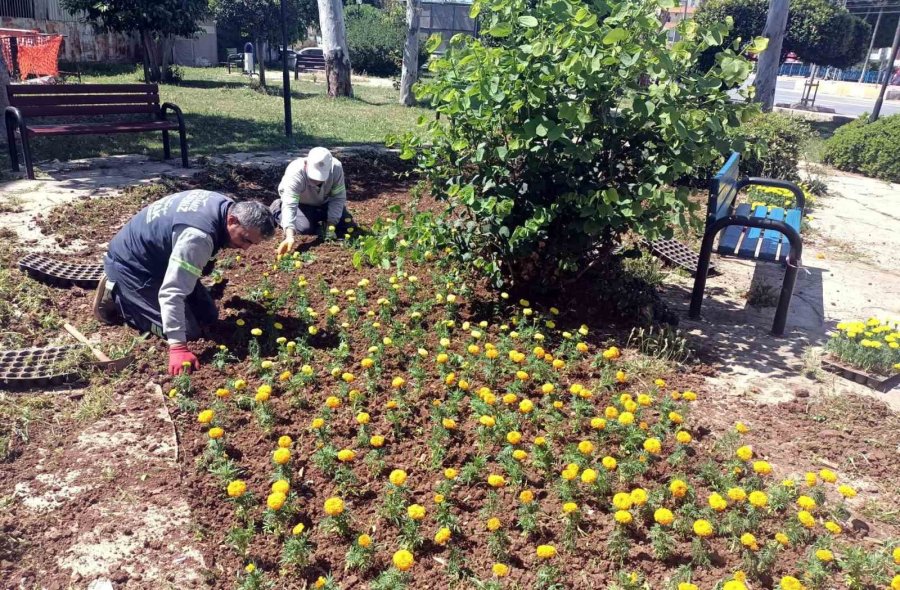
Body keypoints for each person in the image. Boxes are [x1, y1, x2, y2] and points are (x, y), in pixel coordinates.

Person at [92, 190, 276, 375]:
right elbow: (172, 292)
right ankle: (118, 294)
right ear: (232, 220)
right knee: (187, 332)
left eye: (252, 243)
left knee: (209, 317)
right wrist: (178, 348)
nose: (245, 248)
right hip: (132, 267)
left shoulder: (225, 205)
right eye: (244, 239)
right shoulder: (198, 237)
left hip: (159, 259)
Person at [271, 147, 354, 256]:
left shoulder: (336, 168)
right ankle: (277, 209)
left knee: (345, 223)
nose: (317, 180)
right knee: (304, 228)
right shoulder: (295, 172)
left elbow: (337, 198)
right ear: (306, 165)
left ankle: (318, 218)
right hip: (301, 203)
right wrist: (289, 236)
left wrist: (331, 223)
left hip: (324, 201)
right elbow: (290, 204)